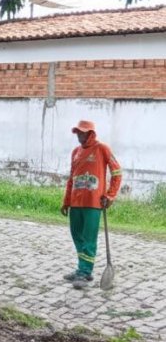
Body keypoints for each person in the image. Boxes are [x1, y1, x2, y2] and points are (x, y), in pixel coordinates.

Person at [61, 120, 122, 290]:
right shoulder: (75, 152)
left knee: (89, 238)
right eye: (78, 132)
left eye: (83, 132)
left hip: (94, 203)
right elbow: (71, 179)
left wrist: (110, 195)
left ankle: (85, 271)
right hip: (75, 202)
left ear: (91, 133)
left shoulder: (102, 149)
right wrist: (66, 201)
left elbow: (117, 172)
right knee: (77, 235)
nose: (79, 135)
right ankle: (83, 268)